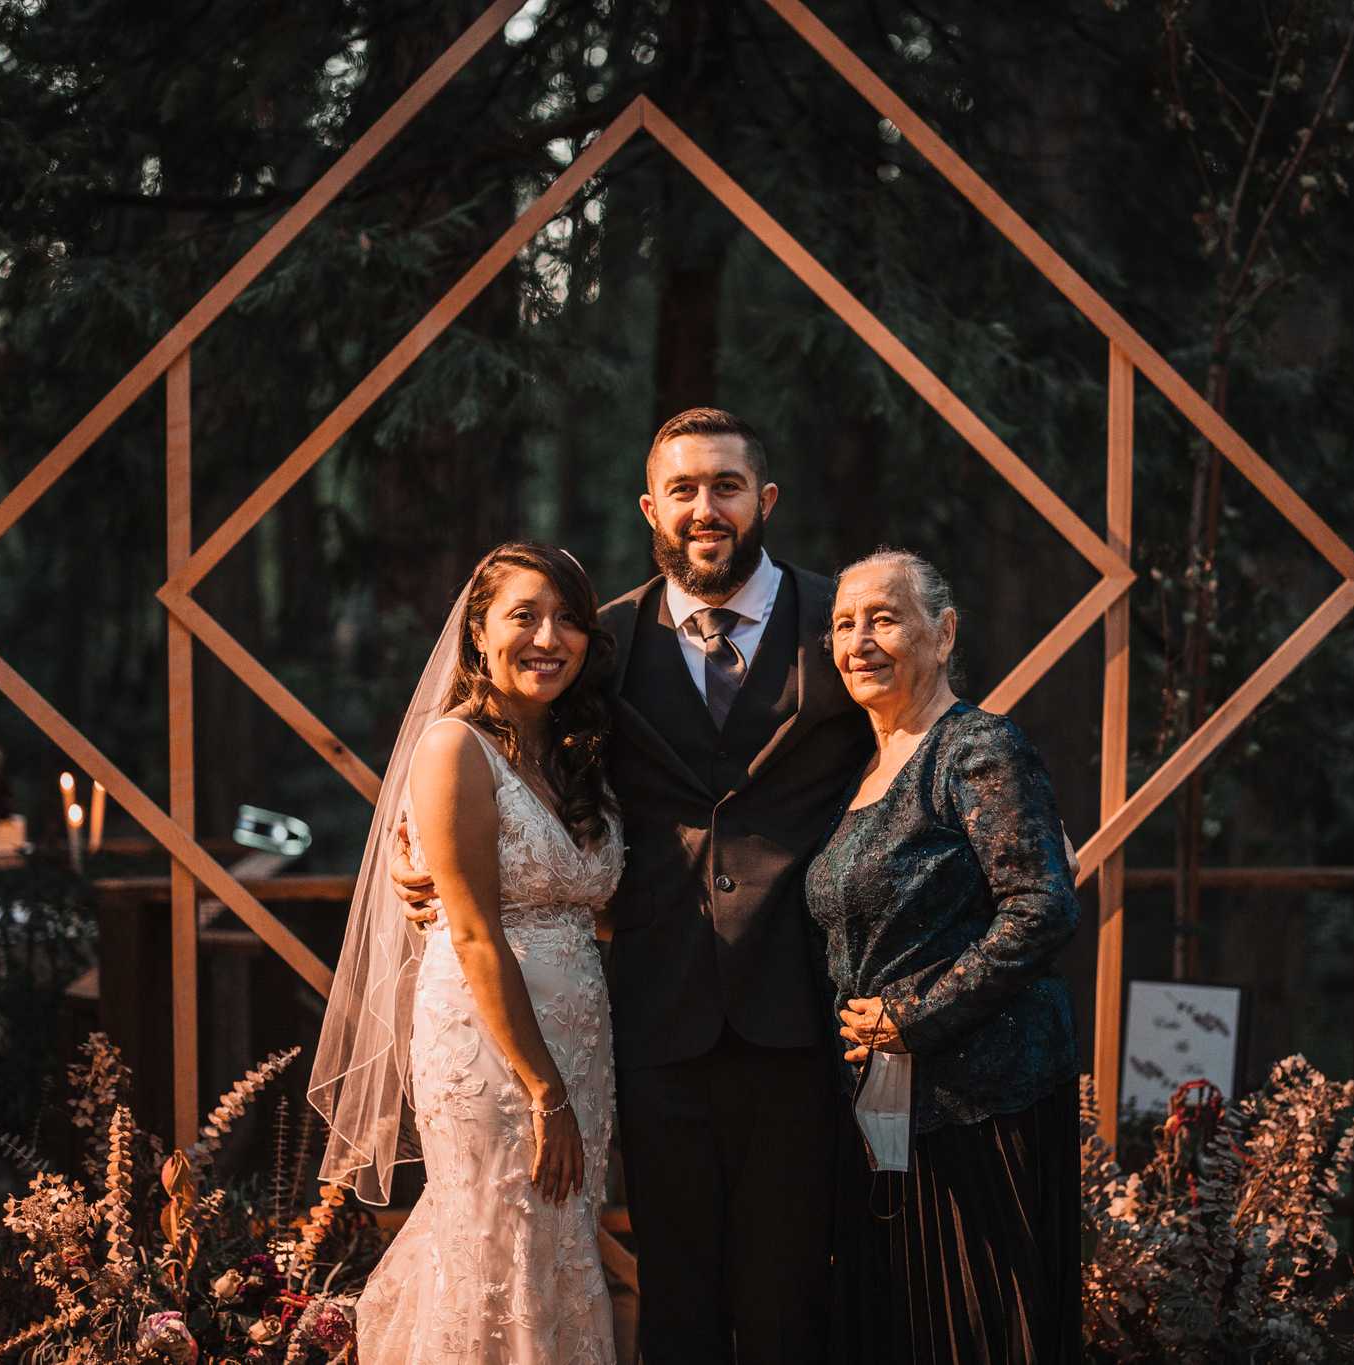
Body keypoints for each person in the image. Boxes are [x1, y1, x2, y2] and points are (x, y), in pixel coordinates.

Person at [391, 409, 872, 1363]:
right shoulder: (597, 645)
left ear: (764, 500)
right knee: (674, 1303)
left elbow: (914, 743)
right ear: (651, 508)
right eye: (683, 490)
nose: (706, 508)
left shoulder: (842, 623)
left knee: (789, 1301)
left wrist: (992, 812)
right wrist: (427, 856)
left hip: (800, 1013)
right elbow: (500, 760)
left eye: (727, 486)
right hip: (654, 1022)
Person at [308, 542, 625, 1364]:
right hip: (497, 1055)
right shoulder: (454, 748)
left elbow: (600, 901)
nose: (548, 637)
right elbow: (477, 930)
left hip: (580, 1042)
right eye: (524, 615)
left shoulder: (572, 753)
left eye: (568, 620)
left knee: (556, 1245)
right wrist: (543, 1090)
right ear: (478, 632)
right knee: (496, 1245)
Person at [807, 548, 1085, 1364]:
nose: (859, 639)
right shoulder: (859, 770)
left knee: (979, 1325)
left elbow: (1042, 906)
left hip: (983, 1099)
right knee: (905, 1326)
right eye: (844, 624)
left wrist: (911, 1017)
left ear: (944, 632)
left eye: (884, 618)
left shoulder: (977, 748)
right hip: (885, 1107)